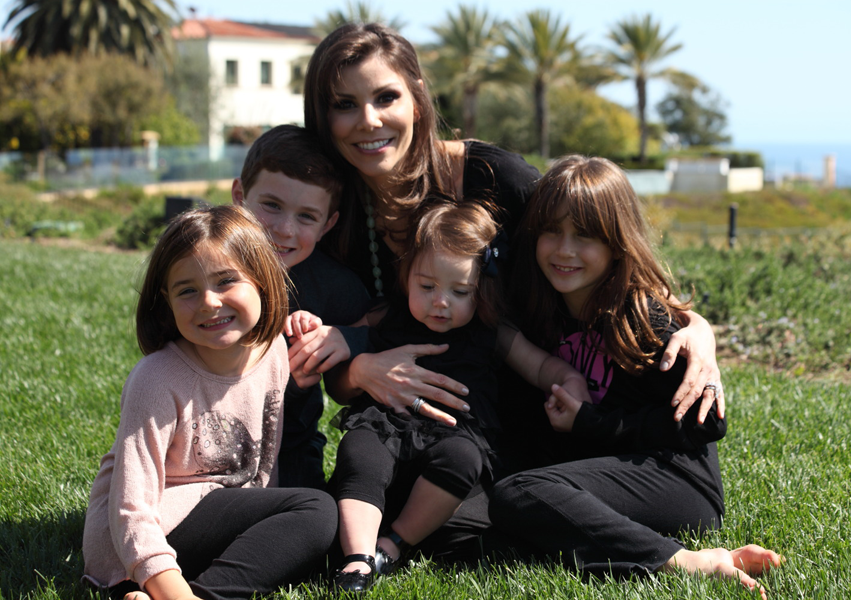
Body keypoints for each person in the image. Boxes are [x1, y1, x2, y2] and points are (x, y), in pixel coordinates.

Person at [303, 22, 723, 438]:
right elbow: (338, 369)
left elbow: (597, 251)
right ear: (324, 117)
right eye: (344, 104)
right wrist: (361, 368)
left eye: (385, 97)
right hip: (398, 429)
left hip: (531, 416)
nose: (369, 120)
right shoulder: (332, 215)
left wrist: (695, 325)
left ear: (416, 98)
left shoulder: (495, 177)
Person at [488, 156, 781, 597]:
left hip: (675, 480)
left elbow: (707, 424)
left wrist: (590, 423)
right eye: (552, 231)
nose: (564, 249)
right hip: (603, 470)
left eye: (584, 236)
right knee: (491, 510)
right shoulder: (546, 309)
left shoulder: (645, 321)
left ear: (616, 243)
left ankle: (685, 561)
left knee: (519, 494)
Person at [327, 200, 591, 592]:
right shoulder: (388, 315)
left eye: (459, 291)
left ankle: (395, 542)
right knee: (359, 451)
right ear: (406, 276)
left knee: (462, 460)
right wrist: (325, 334)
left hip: (455, 431)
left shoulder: (491, 331)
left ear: (481, 290)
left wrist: (569, 379)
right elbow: (340, 342)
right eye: (427, 286)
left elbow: (538, 366)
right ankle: (357, 557)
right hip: (385, 421)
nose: (440, 301)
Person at [81, 205, 337, 600]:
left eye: (226, 281)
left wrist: (302, 388)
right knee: (315, 510)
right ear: (165, 300)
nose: (209, 302)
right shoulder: (157, 377)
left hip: (217, 520)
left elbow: (279, 453)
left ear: (263, 280)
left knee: (322, 519)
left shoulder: (273, 353)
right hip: (145, 532)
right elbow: (131, 506)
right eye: (187, 290)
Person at [232, 124, 370, 489]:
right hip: (205, 448)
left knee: (319, 520)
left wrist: (346, 338)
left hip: (291, 448)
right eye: (271, 205)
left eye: (306, 216)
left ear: (329, 224)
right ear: (238, 195)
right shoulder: (204, 269)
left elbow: (384, 328)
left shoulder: (333, 286)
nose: (284, 229)